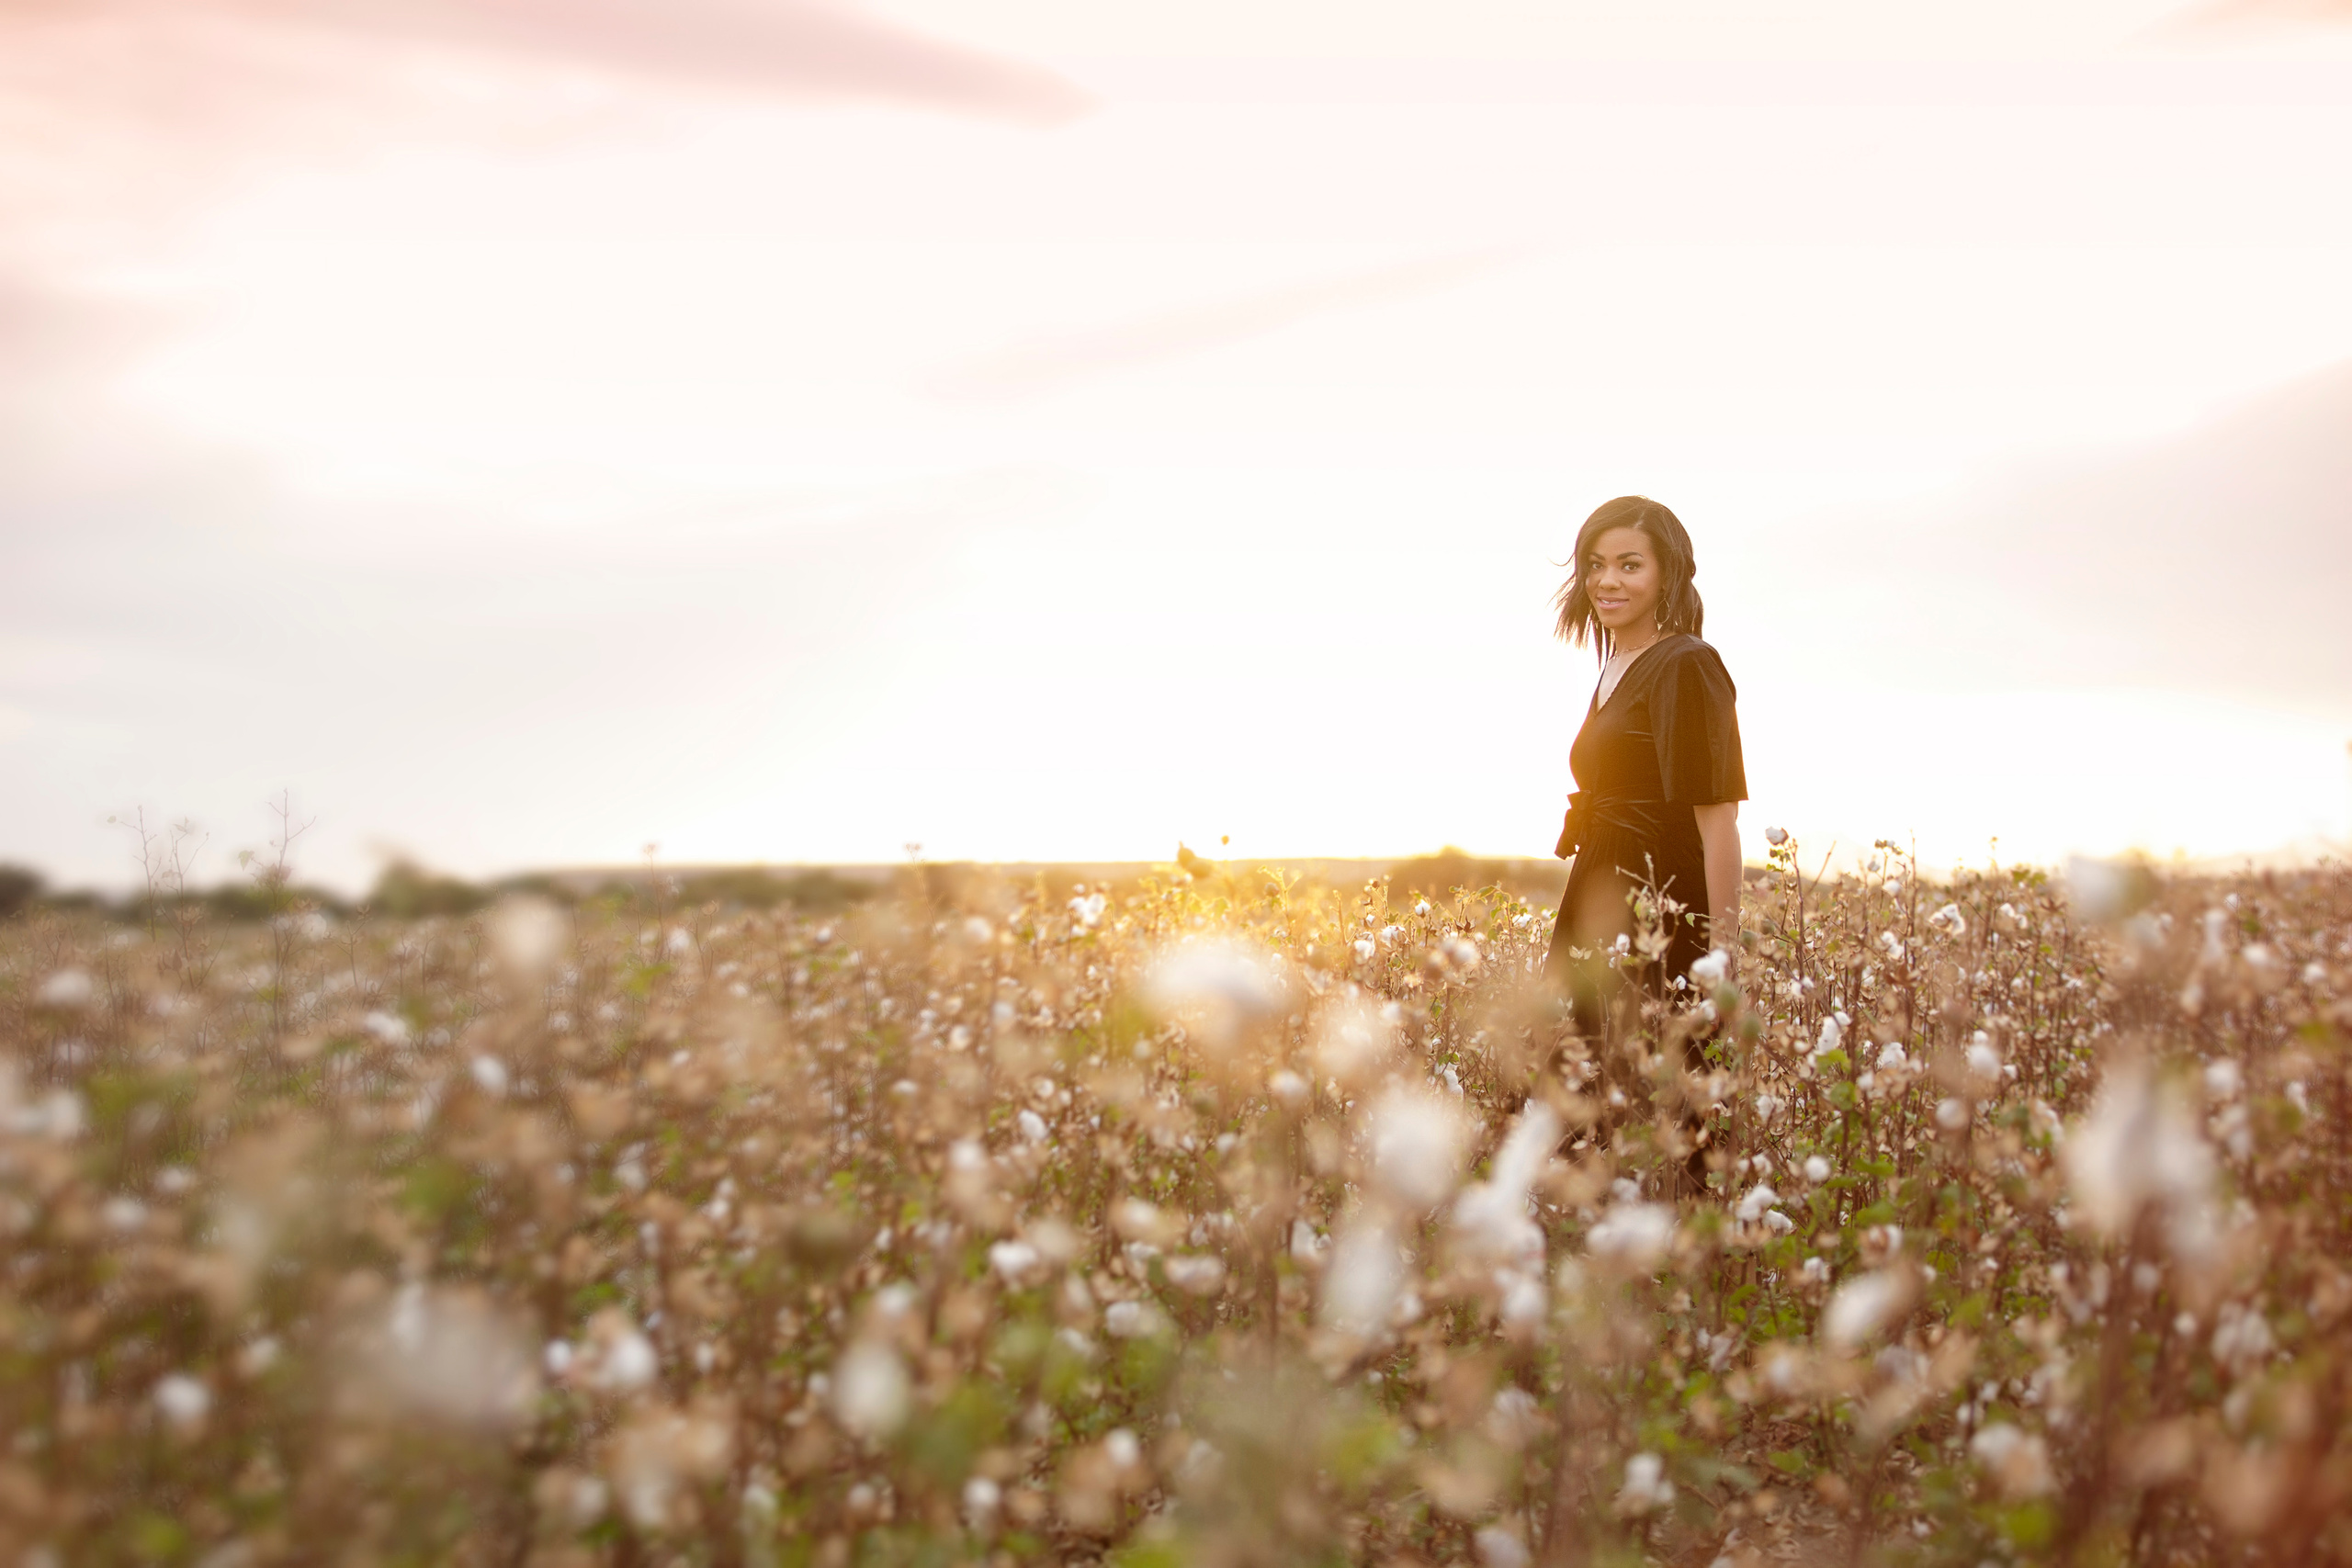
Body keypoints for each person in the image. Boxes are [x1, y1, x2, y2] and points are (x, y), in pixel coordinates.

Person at [1544, 496, 1747, 1033]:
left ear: (1667, 575)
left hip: (1662, 914)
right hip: (1596, 898)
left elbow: (1719, 820)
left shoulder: (1687, 663)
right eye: (1595, 564)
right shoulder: (1614, 665)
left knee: (1653, 1096)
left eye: (1629, 565)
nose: (1607, 580)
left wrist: (1721, 965)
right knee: (1578, 1093)